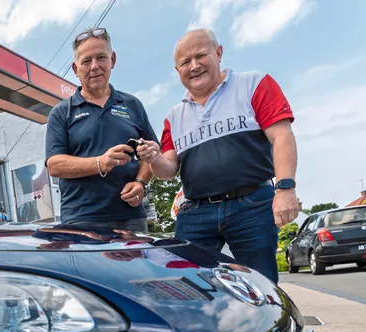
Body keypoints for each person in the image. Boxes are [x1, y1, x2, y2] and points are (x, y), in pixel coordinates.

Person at [136, 28, 300, 283]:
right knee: (191, 284)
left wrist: (285, 188)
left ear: (219, 53)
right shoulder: (174, 117)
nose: (194, 66)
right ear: (177, 71)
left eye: (200, 55)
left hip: (252, 204)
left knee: (260, 283)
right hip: (196, 211)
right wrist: (154, 157)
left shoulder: (253, 84)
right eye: (185, 63)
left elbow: (282, 136)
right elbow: (168, 170)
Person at [44, 27, 158, 231]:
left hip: (130, 218)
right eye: (86, 61)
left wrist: (141, 182)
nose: (94, 66)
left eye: (101, 58)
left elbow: (151, 155)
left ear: (112, 59)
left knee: (137, 265)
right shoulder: (61, 113)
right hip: (81, 220)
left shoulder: (132, 105)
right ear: (75, 68)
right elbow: (54, 165)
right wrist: (99, 162)